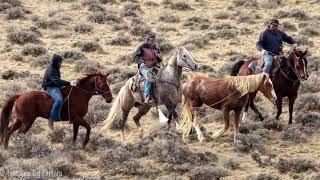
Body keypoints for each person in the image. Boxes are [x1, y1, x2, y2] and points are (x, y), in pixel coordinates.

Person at [42, 54, 76, 130]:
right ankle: (51, 119)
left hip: (56, 85)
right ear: (56, 62)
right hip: (50, 87)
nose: (61, 63)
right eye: (60, 62)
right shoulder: (51, 69)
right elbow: (56, 81)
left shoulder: (55, 67)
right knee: (59, 100)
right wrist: (68, 83)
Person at [133, 34, 163, 103]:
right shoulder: (142, 47)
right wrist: (140, 63)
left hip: (154, 68)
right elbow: (136, 57)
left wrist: (159, 57)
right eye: (151, 40)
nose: (153, 41)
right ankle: (147, 97)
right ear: (148, 40)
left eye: (154, 40)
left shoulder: (156, 49)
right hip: (144, 68)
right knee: (150, 78)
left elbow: (159, 60)